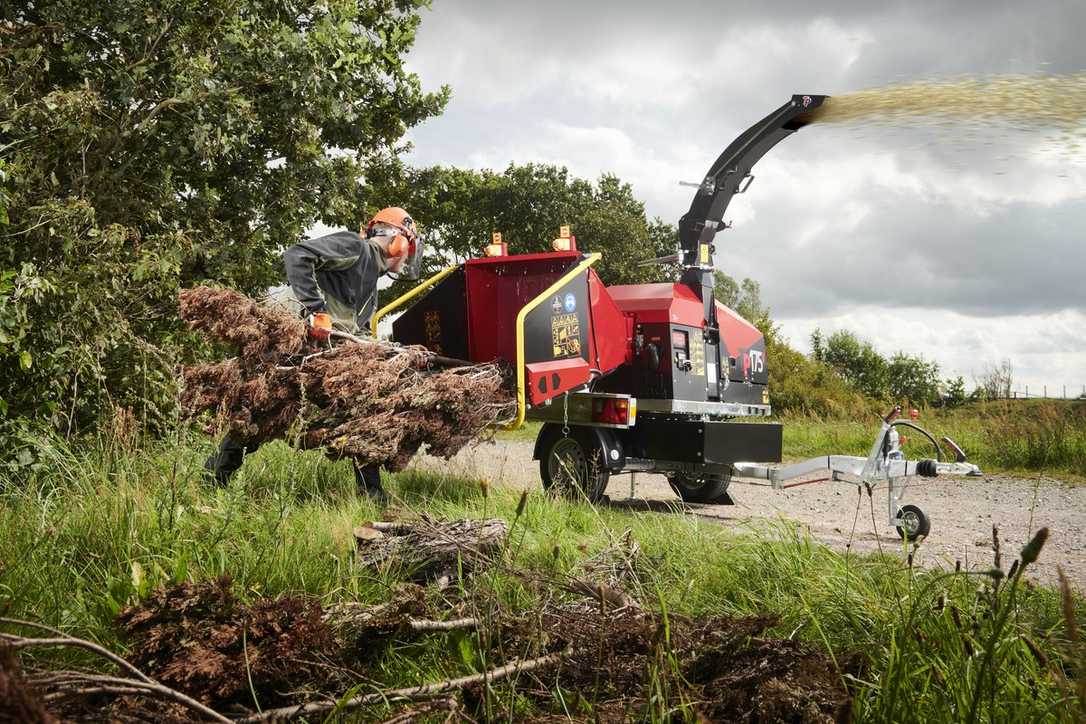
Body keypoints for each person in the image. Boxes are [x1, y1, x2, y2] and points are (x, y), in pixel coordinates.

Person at [204, 207, 421, 502]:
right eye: (409, 246)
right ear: (396, 240)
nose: (408, 255)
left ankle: (372, 496)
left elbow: (351, 327)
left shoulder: (372, 279)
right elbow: (297, 255)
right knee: (264, 416)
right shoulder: (355, 247)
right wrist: (316, 310)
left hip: (327, 355)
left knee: (359, 413)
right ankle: (210, 482)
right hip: (299, 349)